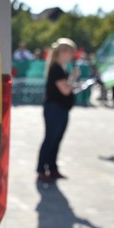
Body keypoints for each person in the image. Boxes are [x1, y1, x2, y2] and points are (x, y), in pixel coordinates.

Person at [36, 38, 78, 182]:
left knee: (56, 140)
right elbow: (65, 90)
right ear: (62, 52)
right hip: (54, 109)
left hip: (61, 109)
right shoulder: (56, 68)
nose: (72, 55)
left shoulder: (62, 68)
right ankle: (41, 169)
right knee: (50, 140)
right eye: (70, 52)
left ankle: (52, 168)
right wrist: (73, 79)